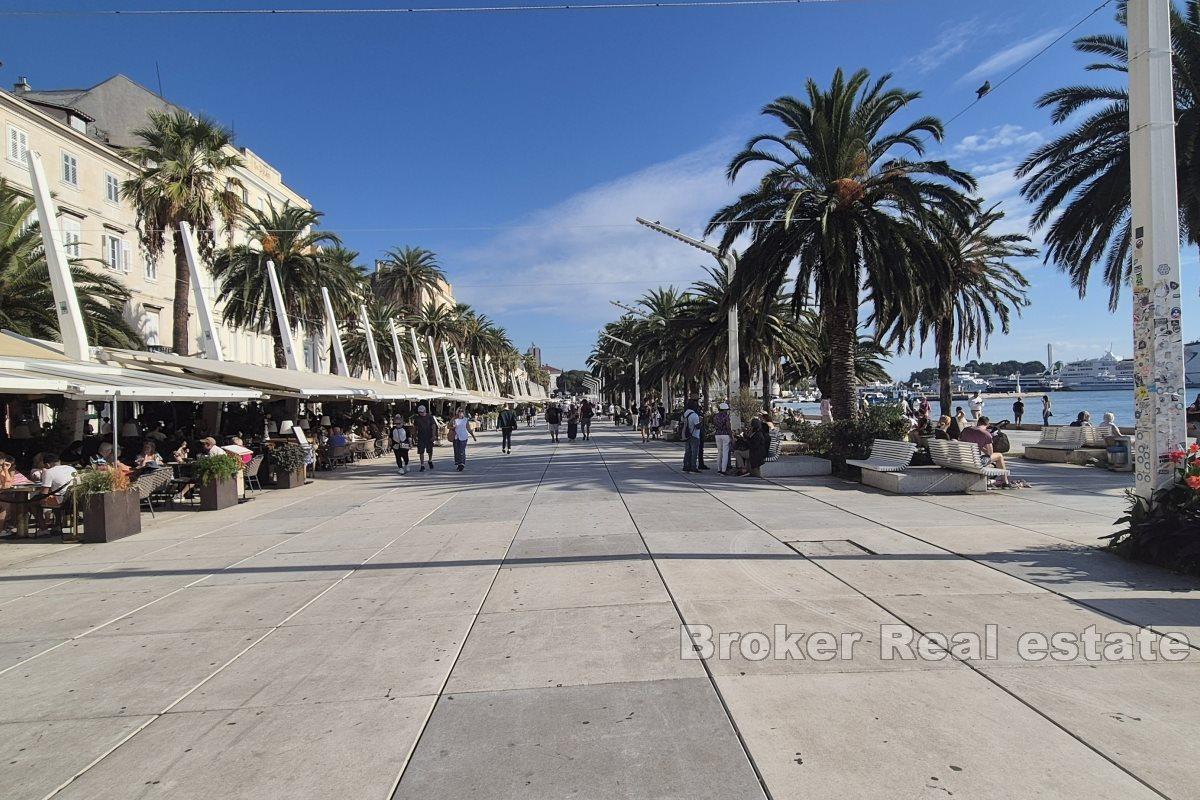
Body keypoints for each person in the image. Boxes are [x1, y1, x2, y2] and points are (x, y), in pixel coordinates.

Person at [959, 416, 1011, 488]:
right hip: (976, 462)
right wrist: (981, 448)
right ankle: (1005, 482)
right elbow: (990, 454)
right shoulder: (986, 434)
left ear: (978, 423)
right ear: (987, 425)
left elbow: (960, 441)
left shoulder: (966, 430)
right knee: (999, 455)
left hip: (963, 459)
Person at [34, 453, 76, 532]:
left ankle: (43, 529)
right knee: (55, 496)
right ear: (59, 461)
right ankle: (57, 525)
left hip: (62, 502)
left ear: (47, 464)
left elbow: (44, 493)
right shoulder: (71, 468)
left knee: (33, 502)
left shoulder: (49, 472)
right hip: (74, 499)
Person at [412, 405, 437, 472]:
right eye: (420, 412)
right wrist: (414, 437)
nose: (421, 413)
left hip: (429, 436)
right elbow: (415, 428)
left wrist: (433, 435)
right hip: (420, 437)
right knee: (421, 451)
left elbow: (434, 426)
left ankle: (430, 460)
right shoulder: (417, 418)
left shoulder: (430, 417)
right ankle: (422, 465)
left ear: (425, 411)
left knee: (430, 450)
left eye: (422, 412)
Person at [681, 401, 702, 473]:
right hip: (694, 435)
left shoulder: (684, 414)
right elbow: (697, 426)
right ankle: (693, 467)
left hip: (686, 435)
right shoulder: (694, 415)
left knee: (687, 451)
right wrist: (701, 421)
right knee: (694, 452)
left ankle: (686, 466)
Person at [713, 402, 733, 475]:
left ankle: (719, 469)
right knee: (725, 453)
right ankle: (724, 470)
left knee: (719, 452)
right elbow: (728, 427)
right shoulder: (726, 416)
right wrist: (731, 436)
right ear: (725, 409)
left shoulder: (715, 416)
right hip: (725, 435)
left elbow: (715, 425)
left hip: (717, 434)